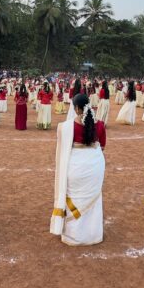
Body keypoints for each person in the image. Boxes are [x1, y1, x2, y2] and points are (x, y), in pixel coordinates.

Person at [50, 93, 106, 246]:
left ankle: (73, 235)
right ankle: (92, 234)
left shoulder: (66, 127)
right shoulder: (100, 125)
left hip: (75, 167)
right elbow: (102, 147)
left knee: (75, 198)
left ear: (75, 108)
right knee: (92, 199)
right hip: (95, 166)